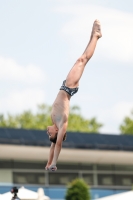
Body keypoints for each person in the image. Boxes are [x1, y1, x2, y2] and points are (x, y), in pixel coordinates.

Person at [45, 19, 102, 171]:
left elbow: (52, 147)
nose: (47, 131)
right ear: (56, 132)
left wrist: (48, 163)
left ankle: (93, 35)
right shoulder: (61, 124)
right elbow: (57, 145)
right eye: (49, 134)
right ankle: (96, 36)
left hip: (67, 88)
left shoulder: (55, 123)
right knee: (82, 60)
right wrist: (55, 164)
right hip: (69, 88)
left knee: (82, 60)